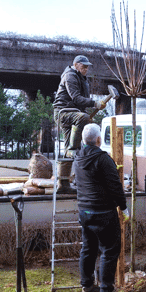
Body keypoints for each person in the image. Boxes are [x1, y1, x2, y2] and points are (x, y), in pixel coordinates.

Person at [72, 123, 127, 292]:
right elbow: (115, 186)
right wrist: (124, 207)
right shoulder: (103, 159)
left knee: (88, 249)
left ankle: (87, 288)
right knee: (109, 251)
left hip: (85, 212)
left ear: (82, 140)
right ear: (98, 140)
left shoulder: (77, 157)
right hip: (103, 213)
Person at [53, 55, 106, 193]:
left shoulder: (81, 78)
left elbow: (81, 102)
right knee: (82, 119)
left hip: (72, 113)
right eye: (84, 66)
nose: (86, 68)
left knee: (68, 151)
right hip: (64, 112)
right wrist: (94, 103)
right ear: (76, 65)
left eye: (88, 66)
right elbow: (76, 98)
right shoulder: (70, 76)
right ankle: (72, 148)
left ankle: (63, 185)